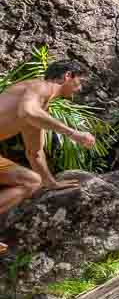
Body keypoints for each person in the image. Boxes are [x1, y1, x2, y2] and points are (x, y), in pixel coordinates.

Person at [0, 60, 97, 252]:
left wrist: (51, 183)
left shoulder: (40, 109)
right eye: (80, 81)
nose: (80, 88)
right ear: (68, 76)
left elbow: (34, 153)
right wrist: (73, 133)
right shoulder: (38, 86)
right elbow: (27, 111)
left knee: (31, 181)